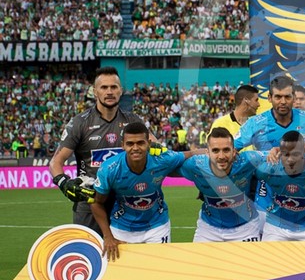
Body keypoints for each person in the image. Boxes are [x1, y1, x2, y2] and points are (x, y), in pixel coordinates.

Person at [49, 67, 146, 236]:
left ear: (121, 90)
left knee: (126, 252)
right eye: (104, 87)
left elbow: (156, 149)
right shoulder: (80, 123)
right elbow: (56, 162)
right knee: (91, 251)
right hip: (90, 202)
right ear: (95, 91)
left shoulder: (133, 121)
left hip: (126, 202)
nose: (109, 92)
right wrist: (64, 183)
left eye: (114, 87)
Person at [91, 122, 196, 260]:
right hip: (122, 228)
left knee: (159, 268)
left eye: (140, 143)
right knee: (124, 271)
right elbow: (96, 203)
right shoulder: (109, 169)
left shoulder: (162, 159)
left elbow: (191, 154)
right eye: (130, 144)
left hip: (157, 226)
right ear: (123, 145)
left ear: (149, 143)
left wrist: (214, 157)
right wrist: (108, 236)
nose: (135, 148)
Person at [234, 76, 305, 225]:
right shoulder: (255, 123)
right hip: (267, 197)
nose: (283, 101)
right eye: (278, 97)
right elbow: (231, 149)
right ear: (269, 98)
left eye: (287, 97)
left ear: (293, 97)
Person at [179, 127, 262, 243]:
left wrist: (276, 150)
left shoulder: (248, 160)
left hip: (246, 228)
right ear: (207, 152)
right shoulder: (195, 165)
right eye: (215, 151)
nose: (221, 156)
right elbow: (167, 167)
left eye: (226, 150)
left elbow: (280, 156)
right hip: (208, 229)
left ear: (234, 151)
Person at [256, 131, 305, 241]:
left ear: (304, 152)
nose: (290, 160)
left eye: (295, 154)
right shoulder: (267, 169)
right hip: (276, 225)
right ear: (280, 153)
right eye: (286, 155)